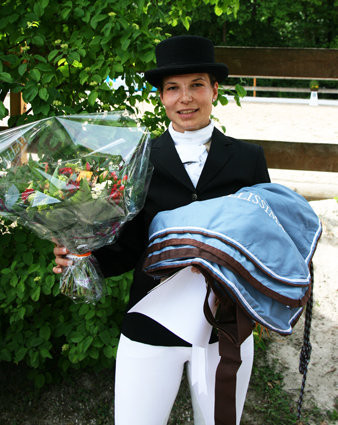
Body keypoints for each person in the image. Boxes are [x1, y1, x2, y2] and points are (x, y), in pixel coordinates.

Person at [53, 35, 270, 425]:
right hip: (152, 317)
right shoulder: (139, 159)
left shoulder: (248, 159)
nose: (185, 98)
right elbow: (129, 243)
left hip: (225, 327)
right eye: (173, 88)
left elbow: (260, 240)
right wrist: (82, 255)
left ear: (214, 90)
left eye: (196, 85)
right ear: (161, 97)